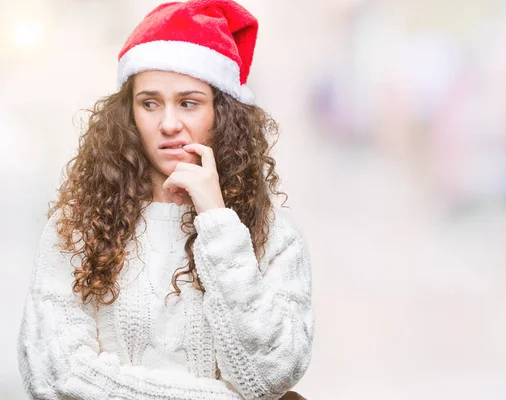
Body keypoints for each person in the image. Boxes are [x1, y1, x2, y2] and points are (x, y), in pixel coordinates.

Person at [16, 1, 315, 399]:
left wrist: (217, 220)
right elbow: (53, 375)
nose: (169, 124)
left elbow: (269, 374)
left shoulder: (274, 235)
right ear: (129, 114)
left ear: (222, 114)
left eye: (189, 102)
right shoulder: (79, 226)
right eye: (150, 103)